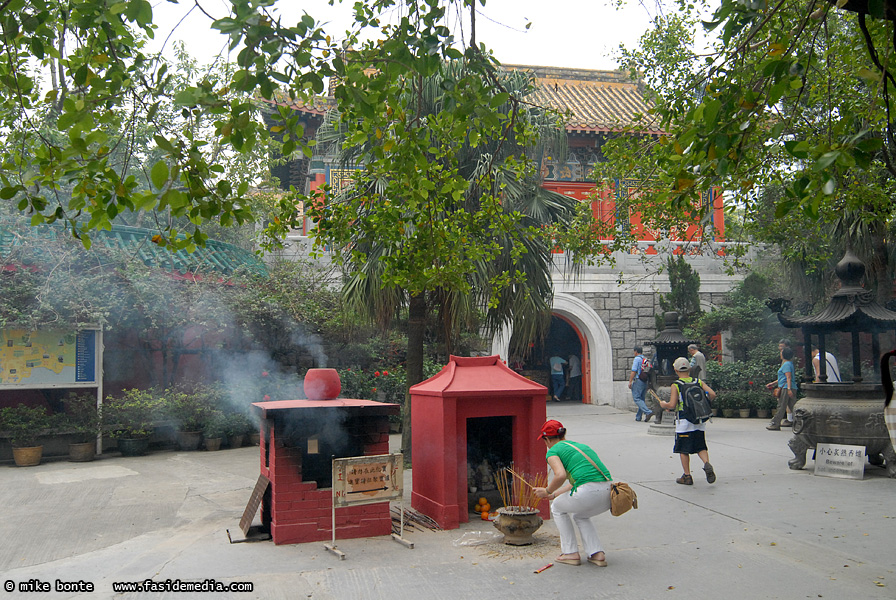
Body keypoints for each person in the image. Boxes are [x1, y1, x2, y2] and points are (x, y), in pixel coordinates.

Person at [533, 419, 612, 567]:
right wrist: (554, 494)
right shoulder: (581, 446)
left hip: (588, 492)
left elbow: (560, 475)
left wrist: (547, 491)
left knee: (556, 508)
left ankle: (570, 553)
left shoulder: (553, 451)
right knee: (581, 515)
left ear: (547, 439)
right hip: (608, 492)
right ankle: (597, 553)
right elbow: (575, 482)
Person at [659, 357, 717, 485]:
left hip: (684, 421)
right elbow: (712, 394)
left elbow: (672, 404)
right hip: (699, 420)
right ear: (689, 369)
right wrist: (704, 404)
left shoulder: (676, 385)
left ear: (675, 369)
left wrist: (664, 405)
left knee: (684, 449)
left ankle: (687, 476)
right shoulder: (698, 382)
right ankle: (707, 464)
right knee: (701, 446)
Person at [767, 347, 798, 430]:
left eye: (781, 352)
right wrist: (773, 383)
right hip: (789, 387)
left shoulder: (786, 364)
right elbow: (783, 377)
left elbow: (788, 377)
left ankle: (775, 423)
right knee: (793, 407)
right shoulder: (789, 363)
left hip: (786, 388)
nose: (780, 354)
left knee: (781, 406)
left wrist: (788, 389)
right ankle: (801, 423)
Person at [627, 346, 654, 422]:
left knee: (636, 398)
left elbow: (634, 371)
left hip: (638, 380)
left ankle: (648, 412)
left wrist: (630, 381)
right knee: (641, 399)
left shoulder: (637, 359)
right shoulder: (645, 359)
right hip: (645, 381)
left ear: (636, 351)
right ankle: (638, 417)